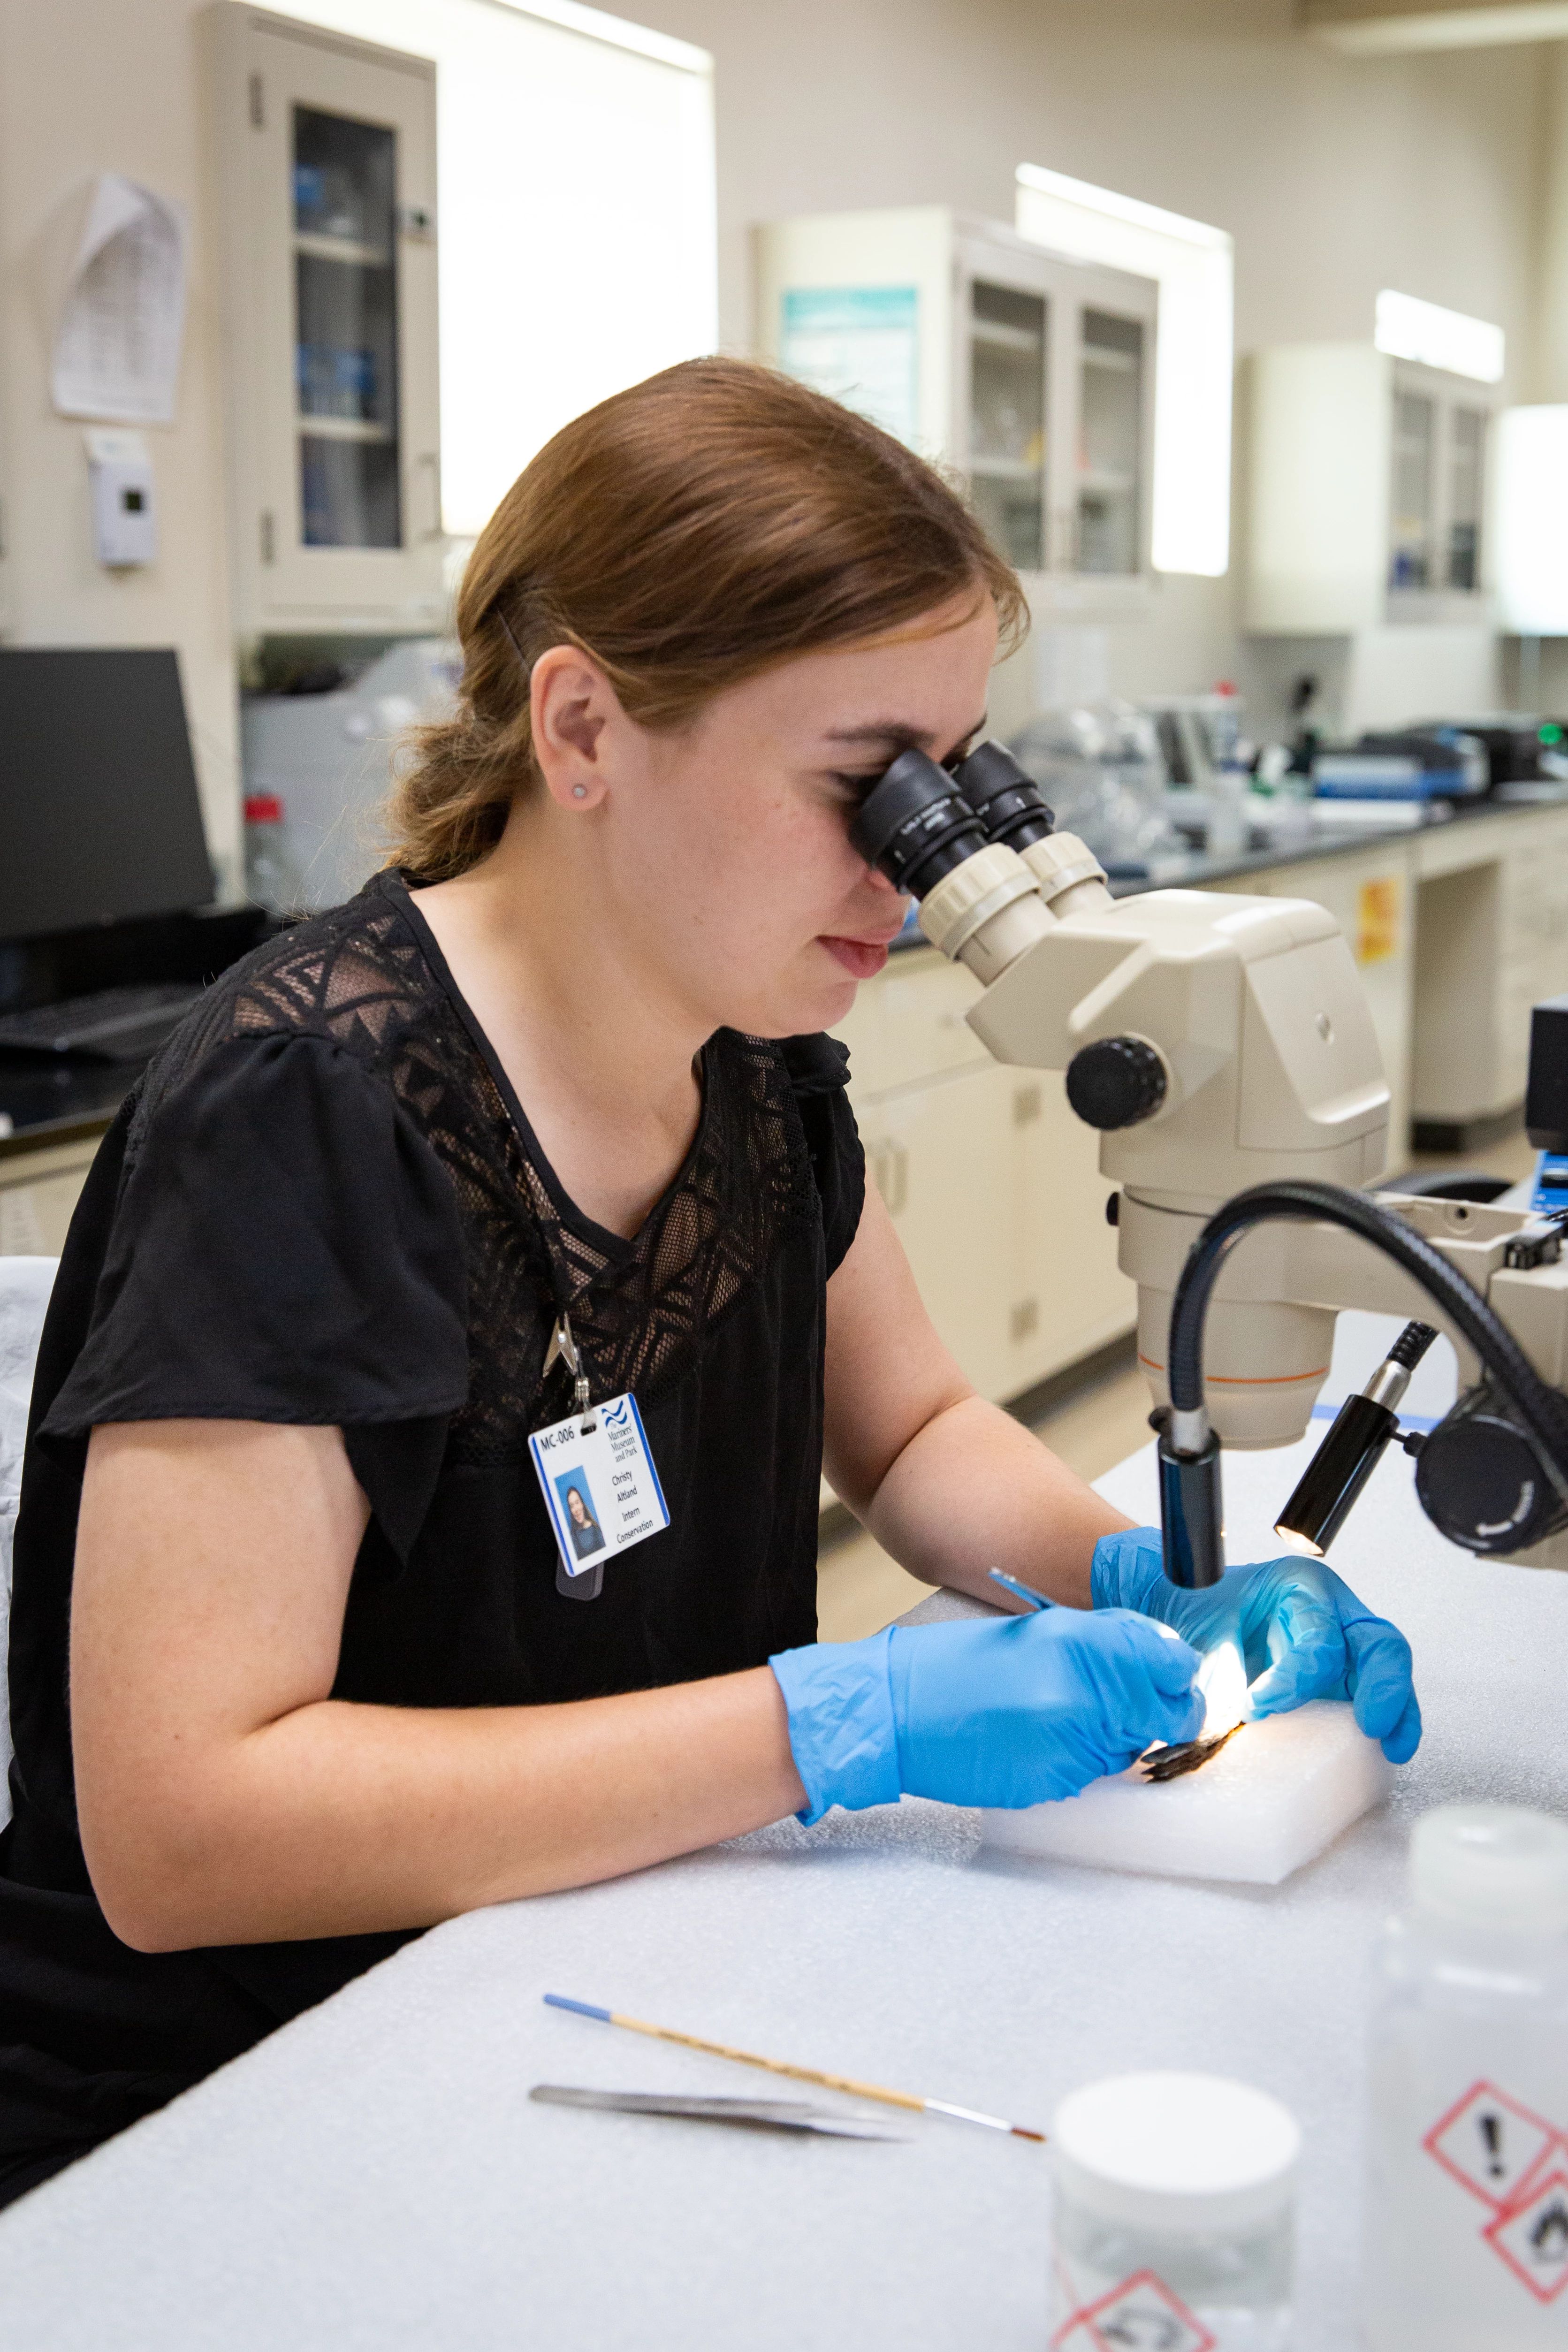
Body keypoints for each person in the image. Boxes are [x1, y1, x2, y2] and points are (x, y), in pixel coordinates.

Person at [0, 358, 1419, 2205]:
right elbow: (187, 1829)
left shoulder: (750, 1053)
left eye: (954, 777)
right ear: (582, 728)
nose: (921, 871)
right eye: (868, 783)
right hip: (237, 2092)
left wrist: (1152, 1579)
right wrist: (840, 1724)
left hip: (600, 1972)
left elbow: (905, 1425)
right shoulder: (305, 1108)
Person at [563, 1483, 604, 1560]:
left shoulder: (596, 1530)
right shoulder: (572, 1536)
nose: (576, 1510)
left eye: (577, 1503)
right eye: (572, 1506)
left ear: (582, 1504)